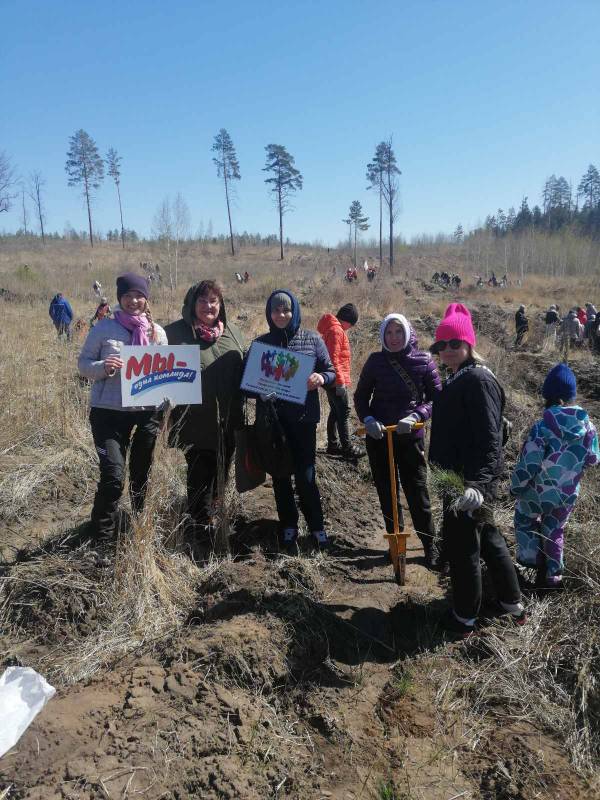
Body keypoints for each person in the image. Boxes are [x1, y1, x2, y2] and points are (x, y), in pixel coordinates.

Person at [428, 303, 525, 637]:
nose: (448, 350)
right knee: (488, 537)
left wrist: (478, 485)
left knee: (463, 546)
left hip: (467, 481)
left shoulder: (478, 379)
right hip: (460, 478)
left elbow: (489, 439)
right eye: (442, 345)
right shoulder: (458, 377)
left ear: (469, 344)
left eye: (455, 343)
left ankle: (464, 617)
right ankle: (512, 603)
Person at [78, 273, 167, 540]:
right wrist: (103, 367)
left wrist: (169, 399)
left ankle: (140, 528)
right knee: (113, 476)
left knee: (141, 474)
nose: (133, 300)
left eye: (138, 295)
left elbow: (166, 375)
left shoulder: (157, 332)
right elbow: (82, 364)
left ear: (146, 298)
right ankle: (101, 538)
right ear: (120, 298)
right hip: (108, 414)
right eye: (127, 296)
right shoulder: (104, 328)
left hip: (145, 414)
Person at [354, 313, 442, 569]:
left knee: (417, 492)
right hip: (379, 436)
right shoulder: (374, 361)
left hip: (410, 437)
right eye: (389, 333)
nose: (393, 338)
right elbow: (361, 397)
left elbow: (437, 398)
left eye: (398, 332)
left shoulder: (424, 361)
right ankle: (395, 542)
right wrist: (368, 419)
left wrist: (417, 416)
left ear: (408, 333)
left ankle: (429, 545)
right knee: (387, 490)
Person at [250, 290, 335, 548]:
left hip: (304, 420)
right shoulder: (261, 345)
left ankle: (317, 527)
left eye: (286, 310)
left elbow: (331, 371)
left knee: (306, 476)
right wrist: (259, 390)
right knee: (280, 475)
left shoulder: (312, 339)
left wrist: (321, 379)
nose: (281, 315)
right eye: (276, 310)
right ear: (269, 313)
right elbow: (246, 385)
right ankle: (288, 526)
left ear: (294, 311)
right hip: (274, 424)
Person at [165, 280, 245, 540]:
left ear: (220, 305)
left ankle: (215, 515)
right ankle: (198, 527)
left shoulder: (233, 332)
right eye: (202, 301)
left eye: (214, 301)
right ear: (192, 304)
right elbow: (155, 370)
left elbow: (246, 371)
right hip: (194, 422)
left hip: (229, 419)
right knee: (200, 472)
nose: (208, 306)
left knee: (222, 471)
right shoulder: (174, 334)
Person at [511, 364, 599, 590]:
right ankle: (553, 577)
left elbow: (528, 463)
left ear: (546, 396)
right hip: (567, 493)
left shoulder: (542, 427)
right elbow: (592, 459)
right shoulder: (588, 427)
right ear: (572, 396)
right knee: (555, 529)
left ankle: (531, 563)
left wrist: (516, 487)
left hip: (537, 492)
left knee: (524, 517)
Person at [317, 303, 363, 460]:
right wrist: (340, 382)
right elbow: (333, 359)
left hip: (332, 379)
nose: (350, 328)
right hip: (335, 380)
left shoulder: (332, 328)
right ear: (347, 320)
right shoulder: (336, 331)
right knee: (343, 412)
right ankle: (347, 447)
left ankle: (333, 445)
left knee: (335, 412)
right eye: (351, 324)